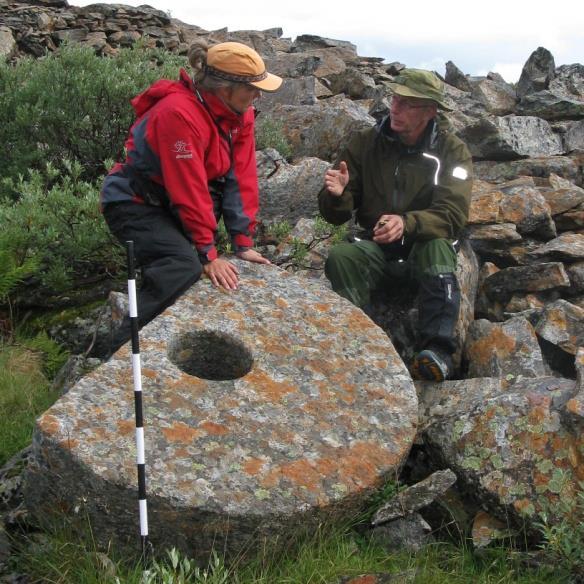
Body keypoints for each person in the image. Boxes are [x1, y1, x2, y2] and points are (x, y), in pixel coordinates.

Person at [101, 41, 282, 351]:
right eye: (252, 88)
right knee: (182, 266)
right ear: (225, 89)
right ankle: (118, 349)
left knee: (190, 256)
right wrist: (206, 254)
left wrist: (242, 242)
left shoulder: (240, 113)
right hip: (133, 203)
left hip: (169, 202)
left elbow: (241, 176)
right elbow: (188, 188)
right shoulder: (178, 115)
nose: (258, 95)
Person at [319, 68, 473, 382]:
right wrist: (336, 195)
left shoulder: (453, 151)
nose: (395, 108)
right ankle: (363, 341)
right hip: (377, 248)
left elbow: (454, 214)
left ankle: (438, 351)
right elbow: (334, 214)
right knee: (341, 257)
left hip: (421, 249)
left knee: (438, 247)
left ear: (430, 112)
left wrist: (408, 223)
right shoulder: (366, 143)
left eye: (407, 103)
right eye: (395, 99)